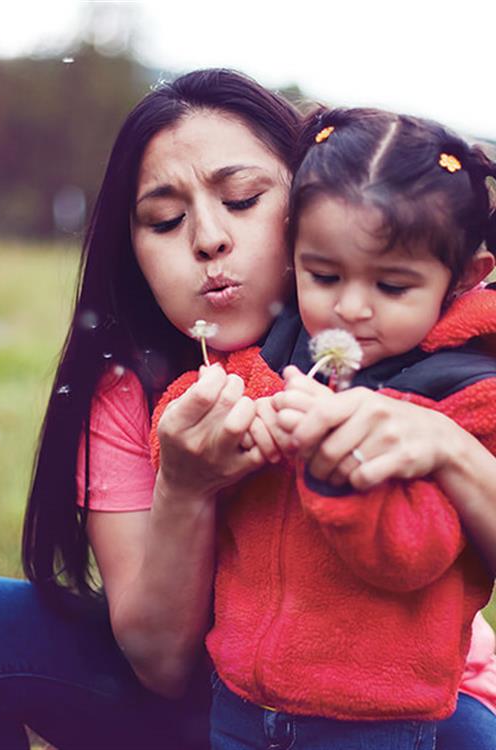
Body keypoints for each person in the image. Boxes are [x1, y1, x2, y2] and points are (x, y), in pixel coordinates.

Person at [0, 70, 495, 750]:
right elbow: (160, 663)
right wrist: (184, 485)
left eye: (242, 198)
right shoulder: (131, 390)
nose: (208, 239)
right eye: (165, 219)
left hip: (407, 708)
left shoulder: (432, 349)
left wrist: (450, 449)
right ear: (132, 250)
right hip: (222, 696)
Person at [149, 105, 496, 750]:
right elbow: (181, 423)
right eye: (324, 275)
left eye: (393, 286)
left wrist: (333, 471)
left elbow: (412, 556)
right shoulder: (280, 350)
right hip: (240, 701)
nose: (350, 307)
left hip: (373, 721)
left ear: (463, 279)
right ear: (293, 250)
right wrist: (213, 431)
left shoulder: (467, 397)